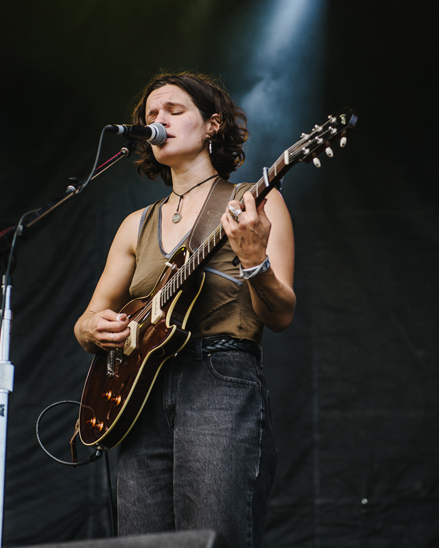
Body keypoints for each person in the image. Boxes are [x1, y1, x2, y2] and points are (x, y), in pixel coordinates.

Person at [73, 72, 295, 548]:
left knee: (215, 536)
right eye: (151, 115)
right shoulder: (137, 225)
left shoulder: (255, 201)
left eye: (174, 111)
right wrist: (96, 327)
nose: (158, 121)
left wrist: (255, 259)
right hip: (140, 395)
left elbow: (280, 315)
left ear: (212, 125)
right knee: (141, 542)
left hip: (219, 377)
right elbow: (87, 321)